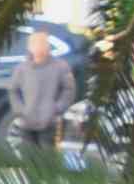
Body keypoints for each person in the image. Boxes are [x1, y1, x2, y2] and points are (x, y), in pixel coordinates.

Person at [5, 25, 82, 153]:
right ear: (30, 47)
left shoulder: (60, 66)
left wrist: (57, 108)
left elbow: (69, 89)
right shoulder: (22, 69)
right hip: (27, 122)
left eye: (42, 43)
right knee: (29, 156)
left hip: (50, 122)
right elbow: (13, 90)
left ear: (47, 46)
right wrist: (20, 109)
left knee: (47, 156)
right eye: (35, 44)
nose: (39, 47)